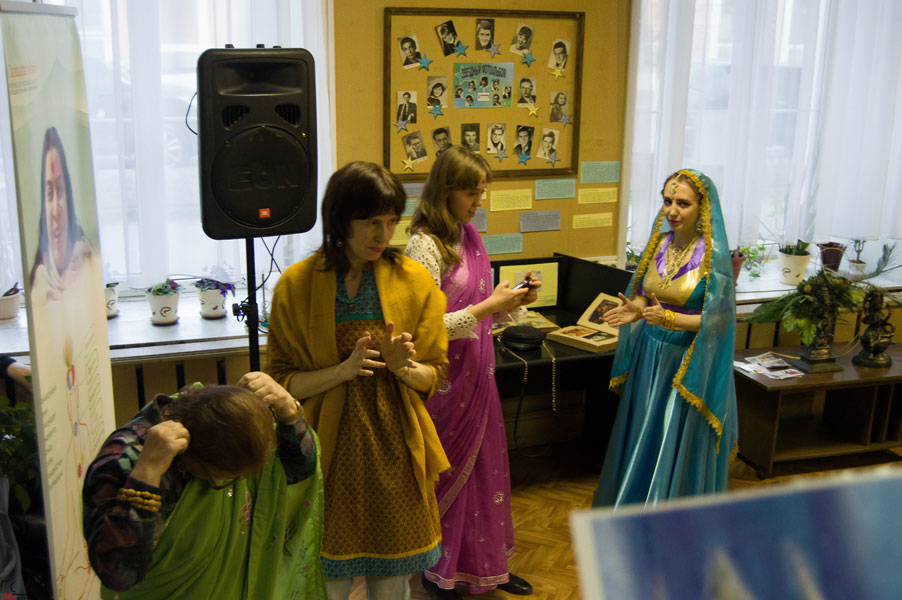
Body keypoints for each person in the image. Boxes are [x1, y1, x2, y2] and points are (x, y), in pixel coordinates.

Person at [265, 162, 450, 600]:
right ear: (340, 219)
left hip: (394, 448)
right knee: (324, 580)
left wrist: (402, 367)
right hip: (323, 450)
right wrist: (341, 372)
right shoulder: (295, 285)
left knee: (392, 581)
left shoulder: (413, 280)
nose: (383, 235)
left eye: (391, 222)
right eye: (371, 222)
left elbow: (434, 375)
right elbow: (281, 383)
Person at [405, 146, 538, 599]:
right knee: (449, 475)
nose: (479, 202)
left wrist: (512, 303)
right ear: (446, 190)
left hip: (479, 375)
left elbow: (482, 311)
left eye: (482, 192)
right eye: (472, 193)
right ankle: (439, 572)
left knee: (485, 475)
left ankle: (488, 566)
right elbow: (424, 329)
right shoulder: (424, 245)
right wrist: (488, 306)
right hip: (443, 383)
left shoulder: (468, 234)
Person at [82, 373, 326, 598]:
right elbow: (118, 574)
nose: (241, 483)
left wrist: (289, 413)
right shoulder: (125, 461)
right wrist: (147, 473)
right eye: (225, 479)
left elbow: (294, 474)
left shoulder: (230, 420)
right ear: (190, 459)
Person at [592, 169, 738, 507]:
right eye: (668, 201)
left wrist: (671, 319)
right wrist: (636, 309)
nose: (672, 211)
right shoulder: (660, 245)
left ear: (703, 209)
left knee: (671, 435)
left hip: (684, 361)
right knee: (644, 430)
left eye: (683, 203)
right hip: (649, 355)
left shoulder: (713, 257)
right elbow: (646, 295)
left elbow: (719, 321)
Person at [29, 126, 95, 303]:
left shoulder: (88, 266)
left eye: (60, 189)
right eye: (50, 193)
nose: (55, 211)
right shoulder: (40, 284)